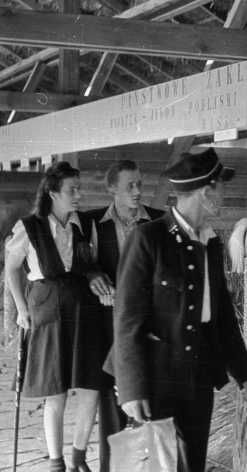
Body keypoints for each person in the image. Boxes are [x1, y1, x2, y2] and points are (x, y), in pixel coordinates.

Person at [110, 147, 247, 472]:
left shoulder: (211, 242)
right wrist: (132, 387)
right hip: (155, 374)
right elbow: (127, 318)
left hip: (198, 372)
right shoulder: (148, 238)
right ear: (207, 191)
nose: (224, 194)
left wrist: (244, 372)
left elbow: (221, 316)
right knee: (152, 466)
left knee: (192, 464)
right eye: (222, 186)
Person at [6, 161, 113, 472]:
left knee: (90, 388)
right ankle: (56, 463)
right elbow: (12, 269)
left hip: (83, 311)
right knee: (56, 392)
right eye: (71, 191)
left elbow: (90, 262)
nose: (78, 195)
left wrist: (94, 276)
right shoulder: (29, 227)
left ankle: (79, 456)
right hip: (48, 310)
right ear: (52, 193)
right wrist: (21, 309)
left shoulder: (84, 224)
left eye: (78, 189)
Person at [86, 160, 165, 472]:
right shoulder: (93, 223)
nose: (136, 191)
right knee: (113, 410)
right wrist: (93, 275)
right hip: (111, 330)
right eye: (129, 186)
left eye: (139, 185)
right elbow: (84, 264)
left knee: (153, 408)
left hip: (151, 328)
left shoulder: (160, 221)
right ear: (111, 189)